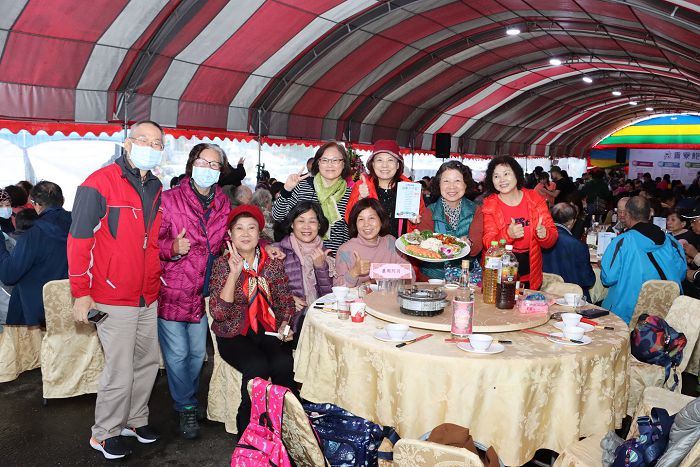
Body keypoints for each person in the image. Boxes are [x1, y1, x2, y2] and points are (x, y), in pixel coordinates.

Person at [68, 120, 164, 459]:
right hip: (112, 294)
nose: (150, 147)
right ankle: (105, 431)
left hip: (147, 293)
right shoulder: (98, 183)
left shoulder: (156, 186)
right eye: (144, 140)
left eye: (157, 143)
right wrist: (81, 291)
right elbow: (79, 239)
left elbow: (148, 241)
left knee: (147, 362)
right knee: (120, 368)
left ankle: (135, 419)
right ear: (127, 143)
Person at [157, 143, 230, 440]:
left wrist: (265, 250)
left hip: (203, 291)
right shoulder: (169, 199)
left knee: (197, 353)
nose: (209, 169)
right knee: (177, 354)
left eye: (215, 165)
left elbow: (231, 237)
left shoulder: (223, 203)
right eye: (204, 162)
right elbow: (150, 242)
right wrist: (172, 248)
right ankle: (186, 405)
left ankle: (185, 398)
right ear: (191, 164)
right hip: (173, 287)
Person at [208, 204, 296, 434]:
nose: (245, 234)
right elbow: (218, 313)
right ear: (230, 235)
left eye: (251, 228)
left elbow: (285, 302)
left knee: (283, 364)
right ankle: (248, 431)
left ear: (260, 234)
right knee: (257, 367)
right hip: (233, 334)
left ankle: (280, 428)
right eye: (239, 228)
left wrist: (286, 325)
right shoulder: (221, 265)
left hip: (267, 330)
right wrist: (234, 274)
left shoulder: (272, 263)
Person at [600, 196, 686, 324]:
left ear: (628, 214)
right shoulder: (673, 242)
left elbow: (608, 279)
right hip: (665, 315)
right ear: (650, 214)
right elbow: (681, 274)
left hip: (626, 315)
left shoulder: (622, 242)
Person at [481, 156, 558, 290]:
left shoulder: (535, 199)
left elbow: (551, 239)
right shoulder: (489, 205)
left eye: (506, 174)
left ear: (517, 174)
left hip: (530, 273)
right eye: (496, 176)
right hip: (498, 274)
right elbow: (488, 242)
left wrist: (544, 234)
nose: (502, 180)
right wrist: (508, 234)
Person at [0, 181, 71, 326]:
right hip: (72, 307)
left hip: (36, 314)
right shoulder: (79, 223)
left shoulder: (34, 233)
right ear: (62, 200)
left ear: (35, 204)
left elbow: (9, 275)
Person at [273, 141, 351, 255]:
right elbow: (278, 216)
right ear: (318, 163)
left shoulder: (349, 194)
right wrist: (287, 189)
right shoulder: (303, 187)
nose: (330, 164)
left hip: (335, 259)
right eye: (324, 160)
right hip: (299, 258)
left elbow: (349, 232)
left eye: (335, 160)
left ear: (343, 164)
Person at [345, 140, 432, 239]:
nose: (384, 165)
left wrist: (414, 223)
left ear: (398, 165)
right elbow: (349, 219)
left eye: (390, 160)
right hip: (371, 248)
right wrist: (360, 199)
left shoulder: (410, 190)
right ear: (373, 164)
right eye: (379, 160)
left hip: (400, 249)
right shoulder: (362, 186)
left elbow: (419, 227)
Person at [273, 201, 333, 333]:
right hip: (287, 319)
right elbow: (265, 289)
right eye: (301, 221)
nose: (307, 227)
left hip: (318, 315)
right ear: (292, 225)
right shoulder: (277, 251)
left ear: (319, 225)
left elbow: (329, 297)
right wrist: (288, 299)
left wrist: (320, 267)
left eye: (312, 221)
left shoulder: (325, 253)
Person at [421, 161, 483, 279]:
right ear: (439, 185)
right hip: (432, 279)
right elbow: (423, 245)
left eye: (457, 181)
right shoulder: (429, 211)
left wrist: (469, 243)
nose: (452, 186)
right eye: (446, 181)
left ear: (466, 184)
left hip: (465, 279)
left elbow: (476, 248)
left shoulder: (475, 210)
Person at [335, 198, 413, 287]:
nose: (366, 224)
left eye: (371, 218)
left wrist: (374, 281)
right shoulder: (345, 250)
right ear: (355, 223)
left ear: (381, 220)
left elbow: (410, 275)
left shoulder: (391, 242)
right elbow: (337, 288)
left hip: (388, 298)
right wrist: (354, 272)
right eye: (361, 219)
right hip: (358, 300)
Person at [541, 203, 596, 301]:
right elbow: (588, 280)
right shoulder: (578, 245)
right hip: (571, 299)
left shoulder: (540, 239)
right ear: (571, 222)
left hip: (542, 294)